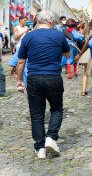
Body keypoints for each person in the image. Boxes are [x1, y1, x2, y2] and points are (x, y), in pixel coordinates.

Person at [16, 10, 71, 159]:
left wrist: (19, 80)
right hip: (53, 77)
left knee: (37, 114)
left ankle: (40, 147)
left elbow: (21, 62)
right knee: (57, 109)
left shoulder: (28, 36)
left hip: (33, 78)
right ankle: (51, 137)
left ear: (37, 21)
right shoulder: (59, 35)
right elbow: (68, 55)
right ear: (52, 22)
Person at [75, 15, 92, 98]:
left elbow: (84, 40)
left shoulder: (86, 29)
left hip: (84, 53)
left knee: (85, 73)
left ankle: (83, 91)